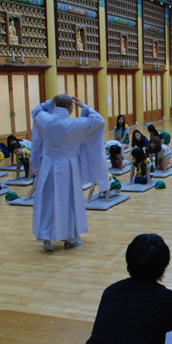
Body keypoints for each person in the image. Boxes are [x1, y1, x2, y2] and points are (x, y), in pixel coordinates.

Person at [30, 94, 108, 252]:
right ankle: (70, 238)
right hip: (68, 167)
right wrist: (84, 106)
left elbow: (36, 111)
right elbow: (99, 120)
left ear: (55, 105)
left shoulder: (45, 120)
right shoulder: (75, 124)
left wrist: (49, 103)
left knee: (48, 201)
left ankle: (46, 238)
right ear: (71, 108)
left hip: (48, 166)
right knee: (68, 202)